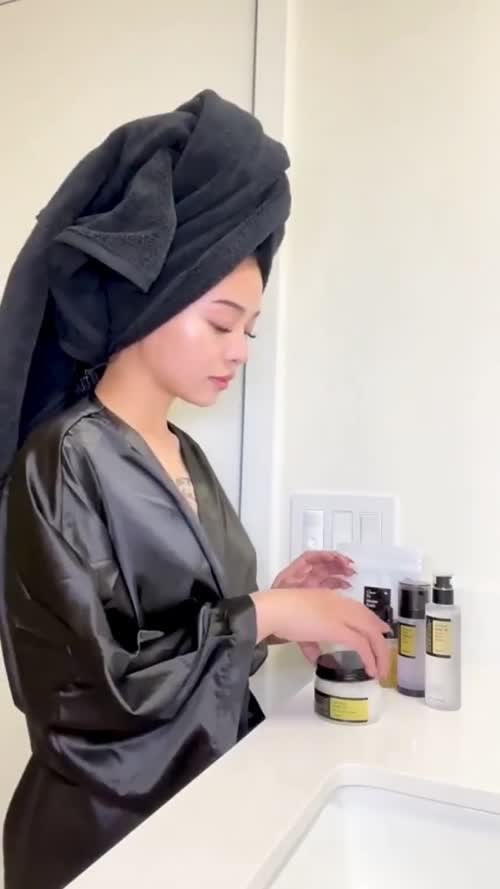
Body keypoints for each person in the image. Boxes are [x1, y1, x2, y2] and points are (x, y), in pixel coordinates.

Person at [0, 90, 388, 889]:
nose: (239, 349)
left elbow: (185, 640)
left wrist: (276, 605)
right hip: (102, 843)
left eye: (251, 329)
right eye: (220, 322)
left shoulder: (188, 456)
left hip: (201, 815)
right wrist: (265, 614)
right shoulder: (64, 458)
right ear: (154, 295)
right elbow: (92, 697)